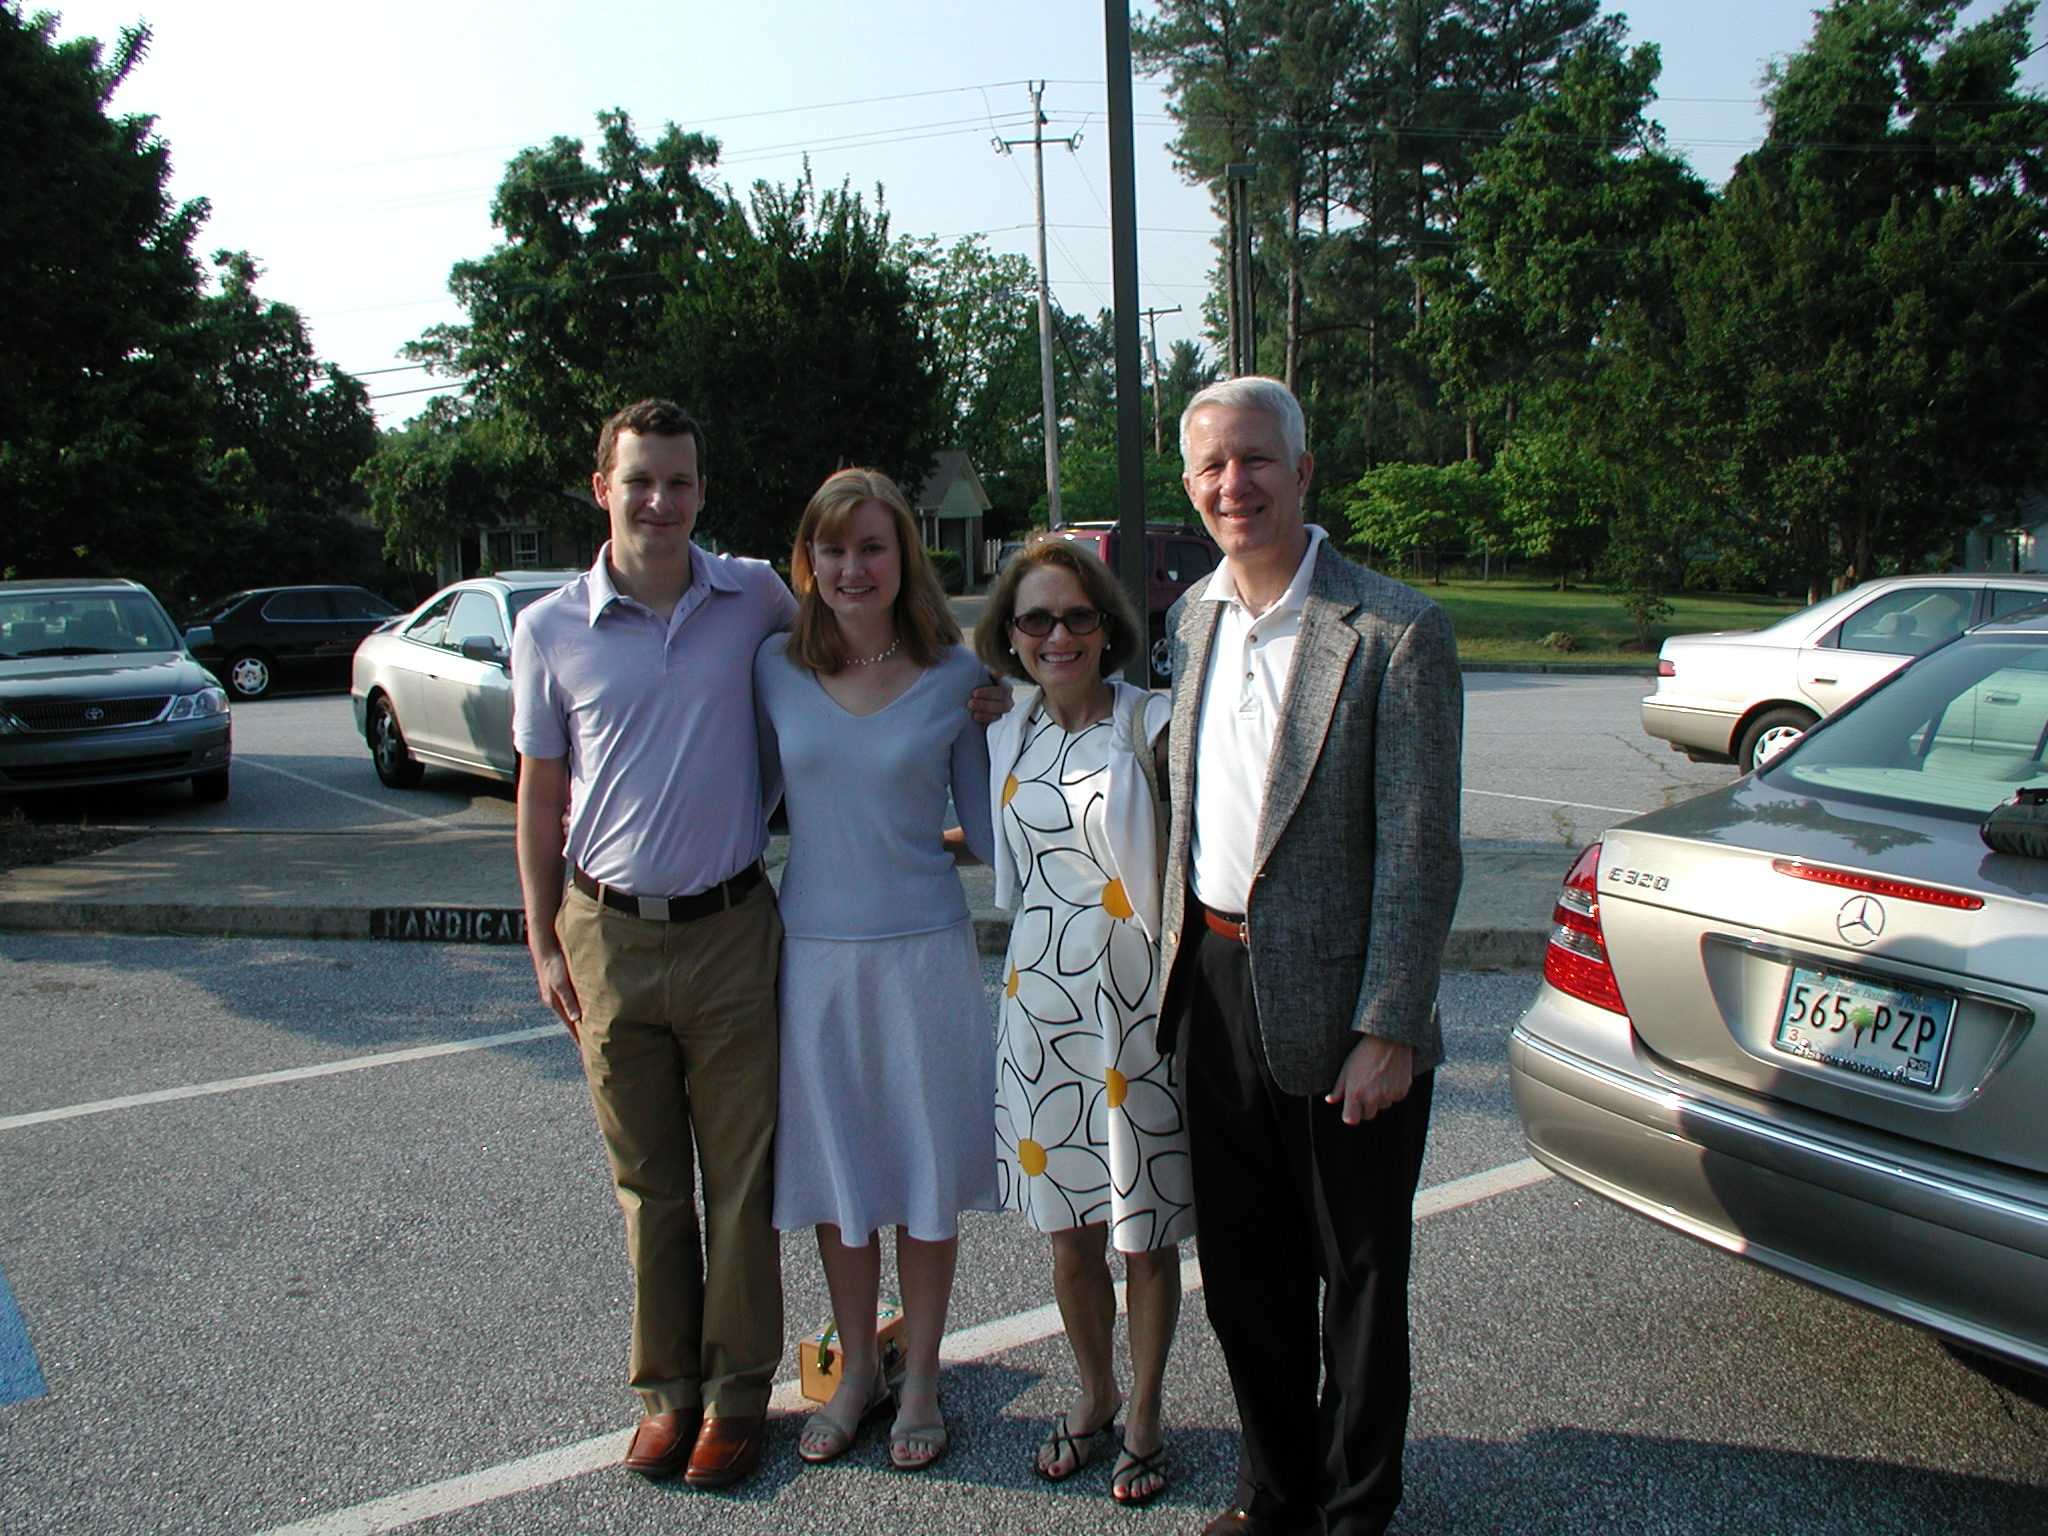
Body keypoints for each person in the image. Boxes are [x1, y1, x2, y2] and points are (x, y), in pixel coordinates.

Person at [1157, 377, 1462, 1536]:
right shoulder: (1192, 620)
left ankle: (1351, 1514)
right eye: (1211, 466)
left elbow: (1420, 850)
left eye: (1254, 459)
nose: (1233, 483)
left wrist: (1390, 1026)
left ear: (1301, 470)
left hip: (1345, 1010)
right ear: (1190, 486)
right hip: (1215, 986)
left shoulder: (1393, 629)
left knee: (1359, 1281)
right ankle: (1272, 1492)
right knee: (1246, 1279)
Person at [512, 398, 795, 1489]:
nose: (660, 502)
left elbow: (859, 640)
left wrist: (974, 691)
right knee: (648, 1186)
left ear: (702, 491)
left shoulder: (755, 597)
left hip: (731, 929)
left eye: (679, 482)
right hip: (606, 932)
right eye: (640, 481)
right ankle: (666, 1393)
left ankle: (737, 1394)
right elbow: (540, 796)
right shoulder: (549, 628)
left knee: (741, 1181)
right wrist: (544, 941)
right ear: (603, 489)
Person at [754, 467, 999, 1474]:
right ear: (807, 561)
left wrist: (1032, 722)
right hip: (812, 961)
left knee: (924, 1176)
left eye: (872, 546)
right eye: (833, 548)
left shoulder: (956, 676)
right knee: (838, 1179)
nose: (852, 567)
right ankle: (856, 1369)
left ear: (904, 555)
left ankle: (923, 1375)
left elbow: (992, 831)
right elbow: (735, 803)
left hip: (925, 959)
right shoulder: (773, 667)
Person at [973, 538, 1194, 1507]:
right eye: (1036, 619)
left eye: (1075, 617)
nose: (1056, 635)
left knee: (1142, 1232)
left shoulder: (1152, 723)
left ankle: (1144, 1411)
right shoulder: (1008, 727)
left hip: (1130, 1011)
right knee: (1069, 1232)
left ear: (1106, 627)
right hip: (1036, 1010)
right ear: (1011, 635)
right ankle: (1094, 1391)